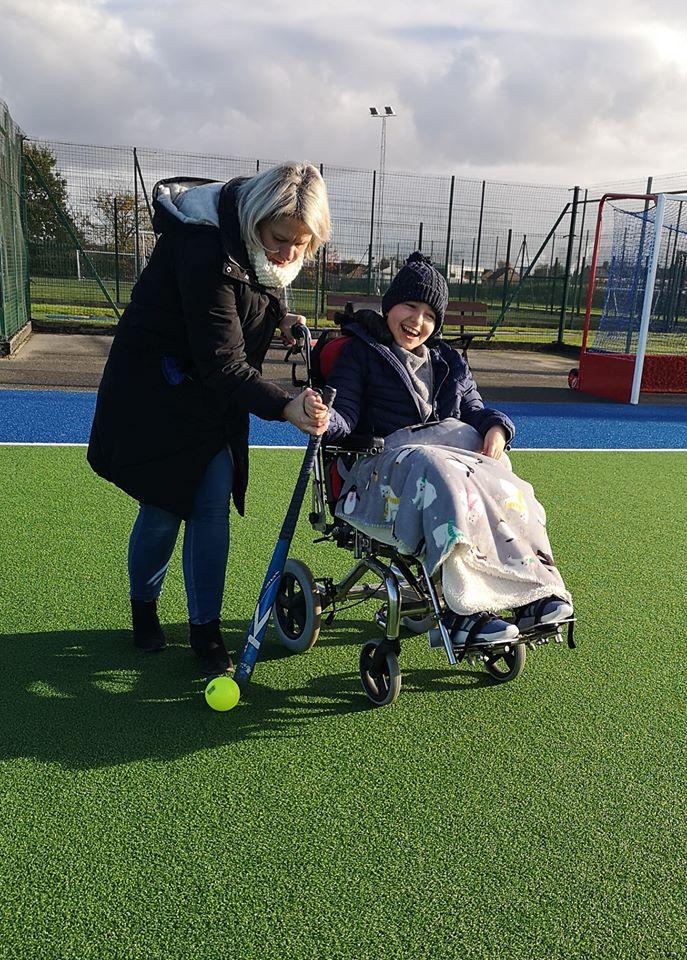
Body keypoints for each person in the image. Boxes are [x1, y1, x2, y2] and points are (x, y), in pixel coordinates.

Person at [88, 163, 331, 675]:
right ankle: (144, 610)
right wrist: (284, 405)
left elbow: (255, 290)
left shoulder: (255, 246)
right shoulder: (203, 248)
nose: (289, 254)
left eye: (302, 245)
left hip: (214, 396)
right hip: (160, 392)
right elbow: (221, 360)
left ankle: (205, 631)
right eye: (281, 238)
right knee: (163, 509)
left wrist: (278, 318)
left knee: (212, 507)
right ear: (254, 221)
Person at [323, 252, 573, 648]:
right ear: (390, 305)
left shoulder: (449, 361)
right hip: (380, 472)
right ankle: (461, 612)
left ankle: (534, 592)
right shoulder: (360, 352)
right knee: (433, 465)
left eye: (429, 314)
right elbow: (345, 415)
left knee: (509, 480)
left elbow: (473, 409)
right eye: (409, 306)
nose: (417, 321)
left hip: (440, 469)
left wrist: (495, 428)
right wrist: (324, 419)